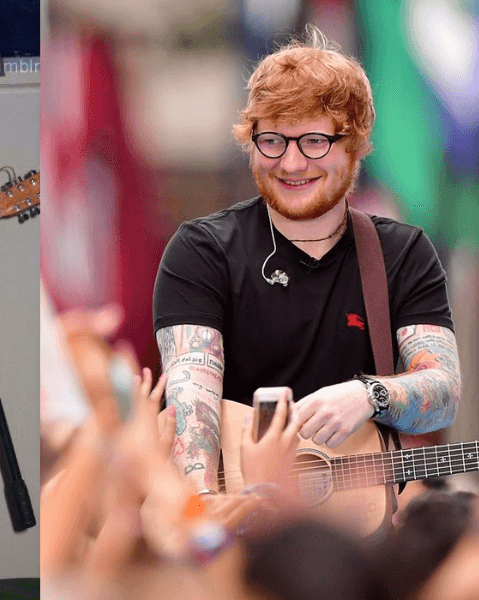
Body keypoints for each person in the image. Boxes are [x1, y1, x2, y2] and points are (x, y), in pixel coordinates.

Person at [152, 26, 461, 498]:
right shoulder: (202, 250)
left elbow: (442, 392)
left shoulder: (401, 253)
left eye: (314, 141)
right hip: (234, 519)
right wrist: (204, 505)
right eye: (272, 140)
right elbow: (192, 396)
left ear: (354, 144)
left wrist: (368, 394)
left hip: (359, 524)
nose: (292, 164)